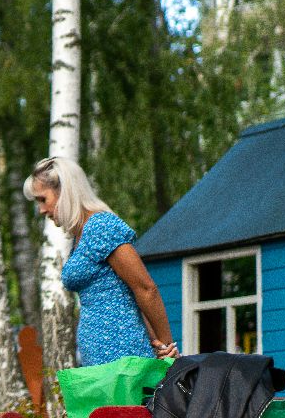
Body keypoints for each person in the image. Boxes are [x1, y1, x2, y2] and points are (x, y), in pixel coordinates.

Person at [24, 156, 179, 365]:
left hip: (121, 354)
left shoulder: (101, 226)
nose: (41, 210)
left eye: (43, 199)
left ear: (65, 191)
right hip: (99, 357)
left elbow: (144, 288)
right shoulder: (79, 237)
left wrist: (167, 348)